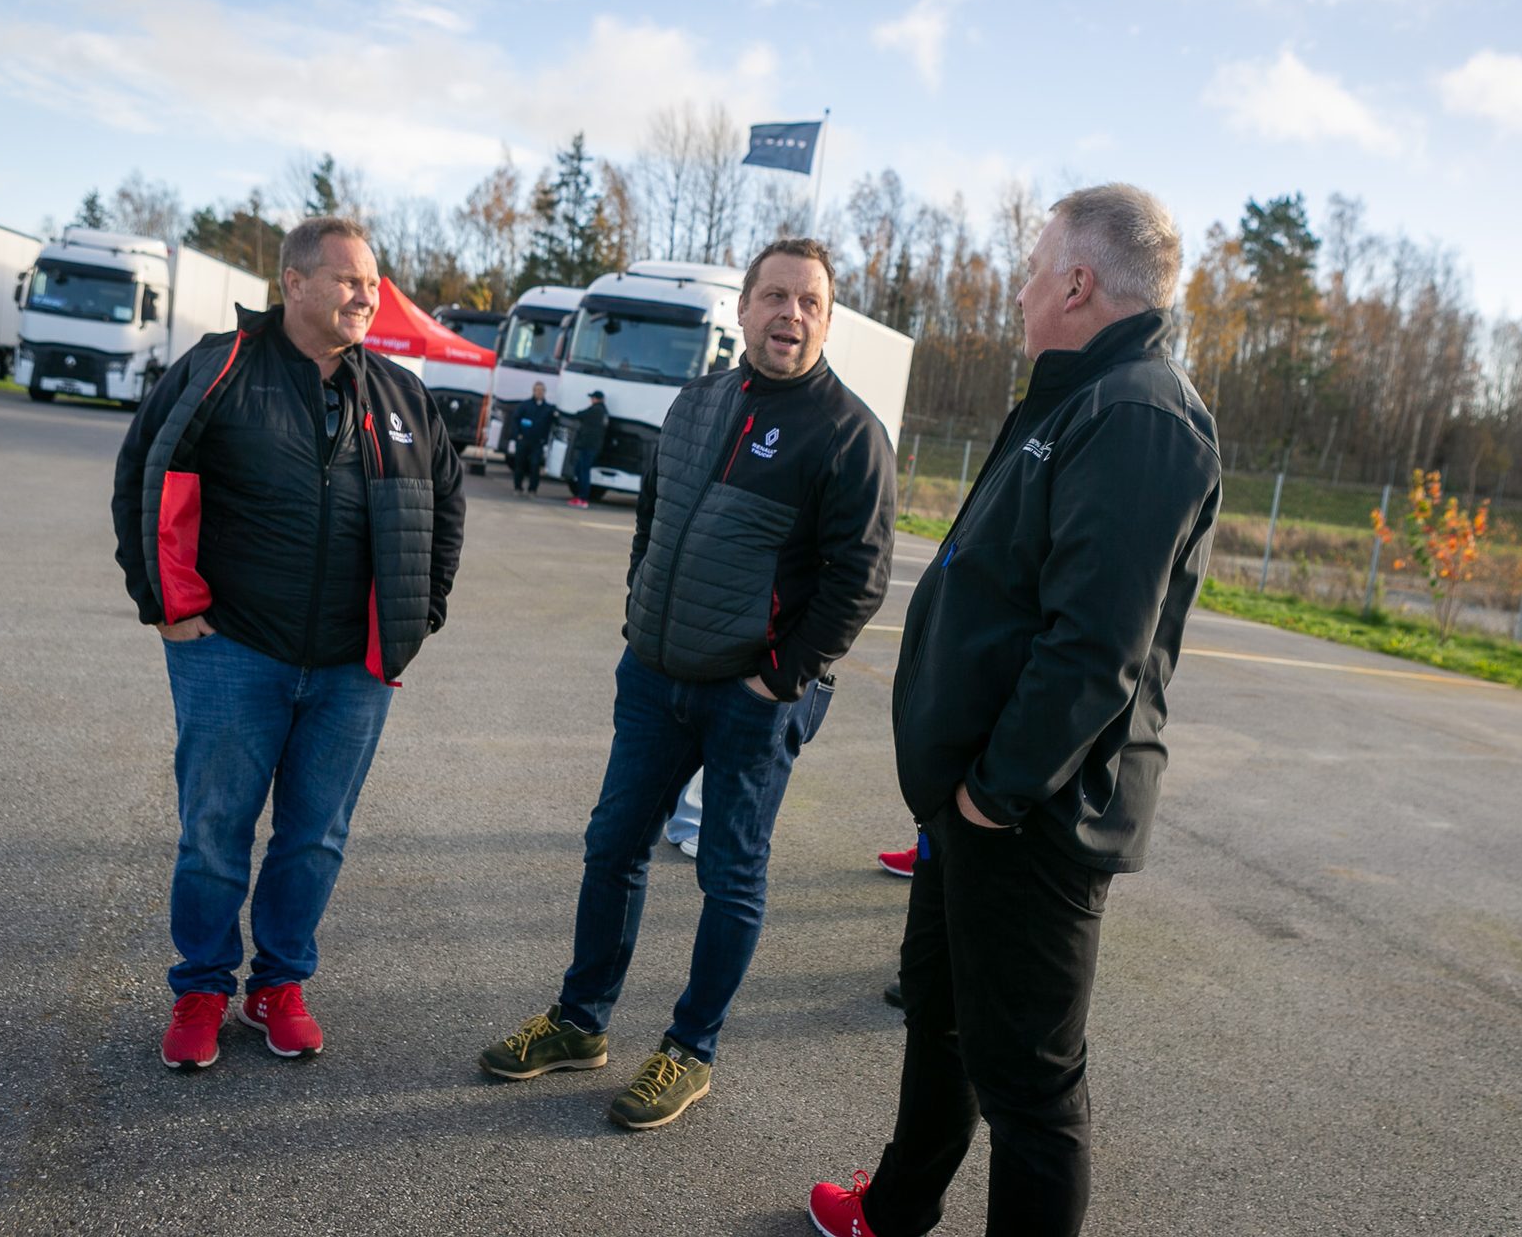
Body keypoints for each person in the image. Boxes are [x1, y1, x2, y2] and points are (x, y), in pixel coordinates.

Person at [809, 184, 1221, 1236]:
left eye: (1037, 266)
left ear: (1080, 282)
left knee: (1032, 1087)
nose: (1024, 283)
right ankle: (896, 1209)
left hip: (1033, 813)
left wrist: (994, 793)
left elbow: (1094, 647)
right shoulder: (1077, 394)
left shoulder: (1137, 410)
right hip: (972, 798)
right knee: (939, 1016)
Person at [479, 238, 896, 1130]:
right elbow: (655, 521)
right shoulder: (700, 399)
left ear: (827, 319)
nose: (791, 314)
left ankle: (689, 1049)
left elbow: (858, 578)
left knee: (730, 874)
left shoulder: (849, 432)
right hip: (655, 675)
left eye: (810, 302)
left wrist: (777, 678)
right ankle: (581, 1022)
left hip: (752, 697)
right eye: (775, 296)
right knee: (612, 846)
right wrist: (639, 619)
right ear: (742, 309)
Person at [112, 216, 466, 1071]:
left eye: (372, 282)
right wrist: (162, 603)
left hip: (355, 668)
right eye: (347, 279)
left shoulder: (401, 394)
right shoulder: (221, 365)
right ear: (294, 284)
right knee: (214, 830)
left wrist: (420, 616)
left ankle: (279, 982)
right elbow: (143, 473)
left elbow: (446, 505)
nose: (365, 294)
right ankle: (200, 987)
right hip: (233, 650)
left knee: (315, 835)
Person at [509, 380, 557, 497]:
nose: (539, 392)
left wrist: (545, 439)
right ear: (533, 391)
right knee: (520, 464)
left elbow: (554, 423)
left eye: (542, 390)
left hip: (538, 442)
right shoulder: (525, 405)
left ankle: (532, 489)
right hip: (523, 440)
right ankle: (518, 487)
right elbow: (515, 420)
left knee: (535, 465)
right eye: (537, 390)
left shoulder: (548, 408)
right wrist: (518, 435)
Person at [568, 388, 608, 507]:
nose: (591, 400)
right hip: (594, 446)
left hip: (587, 445)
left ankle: (582, 498)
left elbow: (579, 415)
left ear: (597, 399)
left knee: (582, 471)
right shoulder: (604, 412)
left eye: (592, 398)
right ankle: (581, 496)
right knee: (582, 469)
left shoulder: (595, 409)